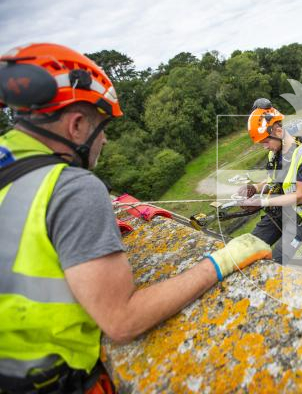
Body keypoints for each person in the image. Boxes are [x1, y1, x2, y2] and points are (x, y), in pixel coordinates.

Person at [0, 43, 271, 393]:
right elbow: (122, 321)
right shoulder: (72, 189)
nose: (106, 140)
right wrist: (222, 261)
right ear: (78, 124)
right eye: (102, 127)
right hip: (49, 381)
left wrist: (73, 237)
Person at [241, 98, 302, 267]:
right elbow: (274, 181)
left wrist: (262, 201)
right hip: (279, 213)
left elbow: (300, 196)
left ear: (277, 131)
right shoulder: (275, 154)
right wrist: (254, 188)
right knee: (248, 247)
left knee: (274, 263)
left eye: (265, 142)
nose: (265, 147)